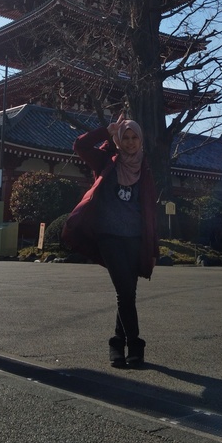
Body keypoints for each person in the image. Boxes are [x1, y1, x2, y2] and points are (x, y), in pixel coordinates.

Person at [62, 116, 158, 368]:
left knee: (128, 292)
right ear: (118, 140)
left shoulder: (145, 166)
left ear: (140, 140)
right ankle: (135, 345)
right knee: (124, 291)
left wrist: (153, 246)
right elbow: (80, 146)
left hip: (135, 237)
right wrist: (106, 132)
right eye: (125, 137)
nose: (129, 142)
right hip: (109, 235)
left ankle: (117, 341)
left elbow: (148, 210)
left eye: (134, 137)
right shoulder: (106, 161)